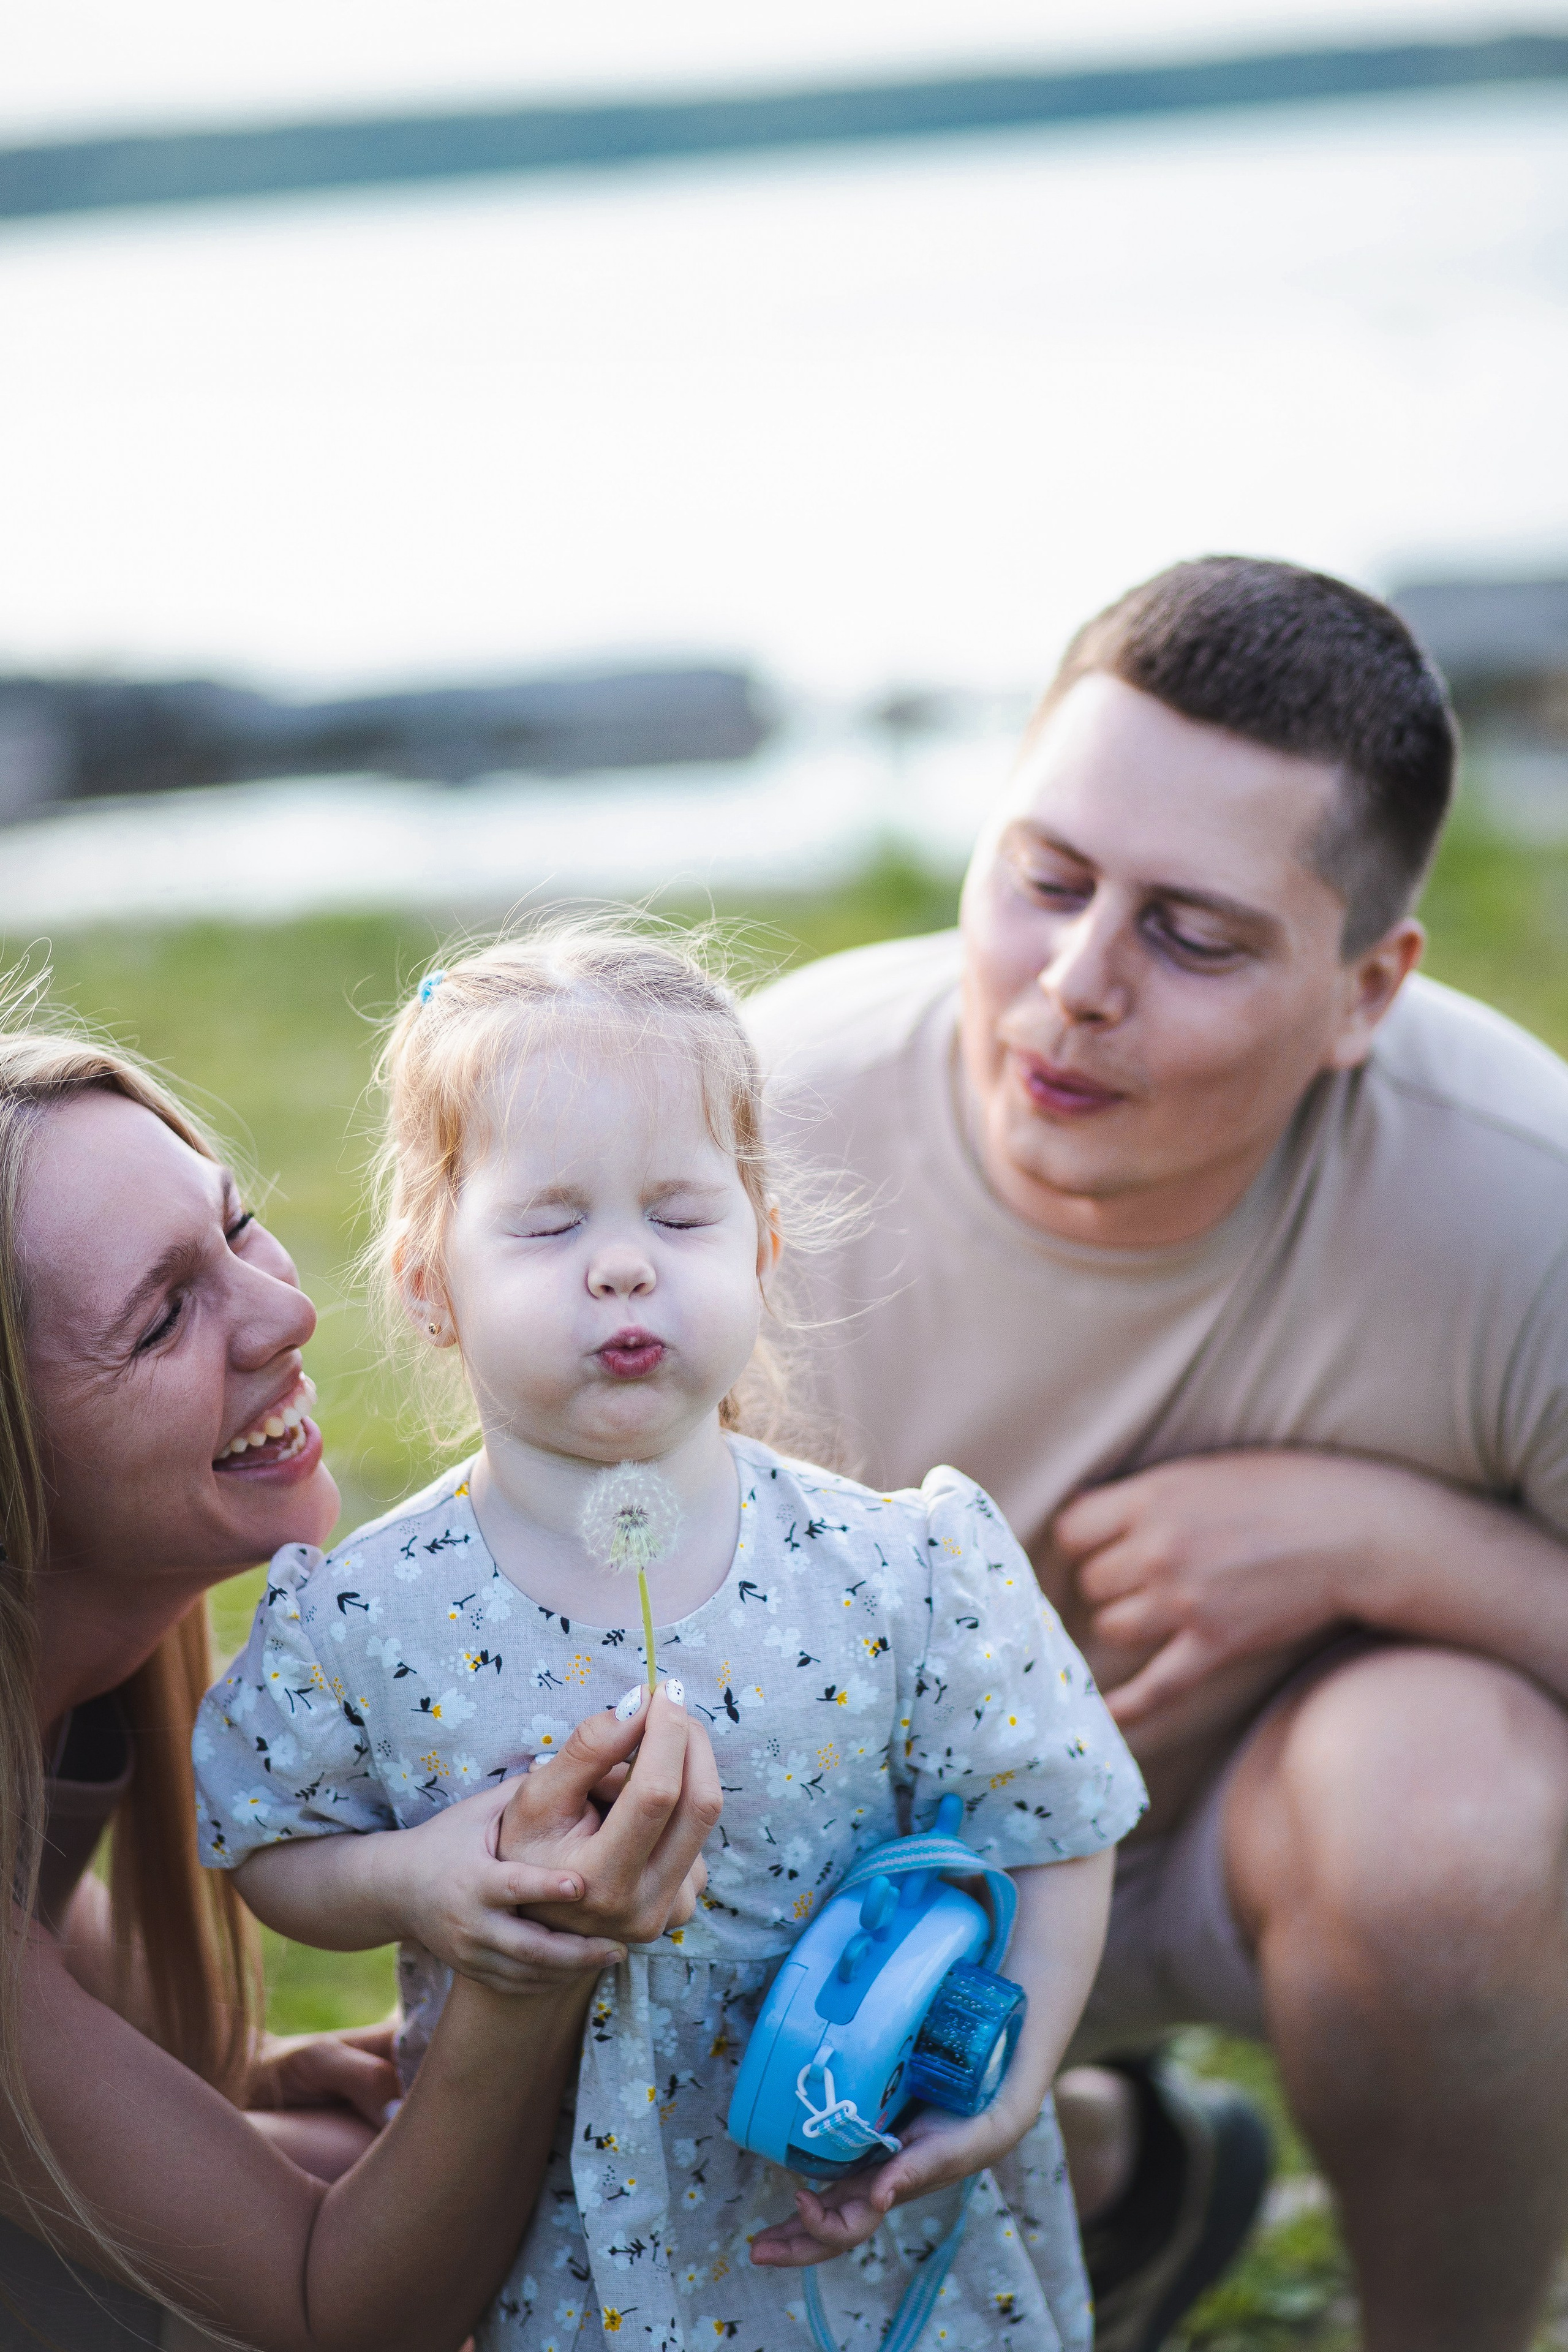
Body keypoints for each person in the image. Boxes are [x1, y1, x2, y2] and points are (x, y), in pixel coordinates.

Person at [746, 556, 1568, 2352]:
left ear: (1364, 992)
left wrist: (1388, 1549)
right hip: (807, 1899)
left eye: (1192, 936)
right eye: (1044, 879)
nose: (1073, 985)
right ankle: (1118, 2177)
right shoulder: (746, 1137)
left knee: (1447, 1814)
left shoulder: (1523, 1208)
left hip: (1231, 1852)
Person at [192, 925, 1148, 2352]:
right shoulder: (364, 1620)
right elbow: (269, 1844)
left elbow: (1057, 1818)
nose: (624, 1269)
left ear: (762, 1246)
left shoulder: (899, 1569)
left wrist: (1006, 2090)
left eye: (681, 1218)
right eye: (549, 1224)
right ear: (427, 1282)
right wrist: (406, 1879)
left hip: (868, 2229)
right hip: (570, 2261)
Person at [0, 1011, 717, 2351]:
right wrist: (528, 1961)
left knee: (355, 2135)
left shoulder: (80, 1685)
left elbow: (98, 2027)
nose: (288, 1309)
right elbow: (339, 2314)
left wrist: (254, 2081)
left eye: (237, 1226)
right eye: (164, 1318)